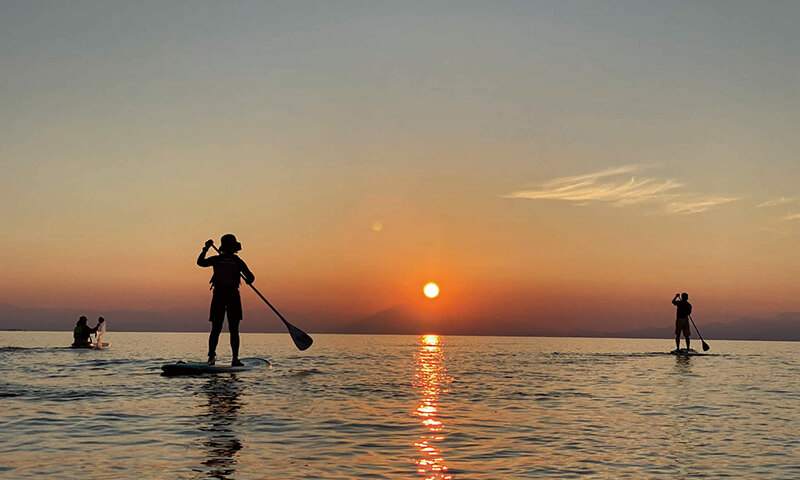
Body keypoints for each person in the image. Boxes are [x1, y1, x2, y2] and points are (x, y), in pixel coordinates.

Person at [197, 234, 255, 366]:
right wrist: (205, 249)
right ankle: (213, 357)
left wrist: (248, 279)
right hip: (221, 295)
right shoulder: (221, 260)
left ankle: (234, 358)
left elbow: (251, 277)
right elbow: (200, 263)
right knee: (218, 328)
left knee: (231, 328)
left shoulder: (235, 261)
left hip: (229, 296)